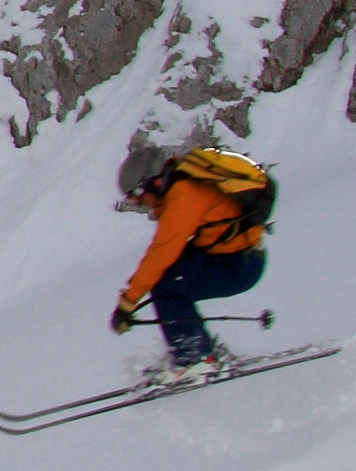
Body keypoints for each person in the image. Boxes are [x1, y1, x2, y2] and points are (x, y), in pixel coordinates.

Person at [110, 135, 277, 376]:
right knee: (165, 284)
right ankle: (198, 351)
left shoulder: (183, 196)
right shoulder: (184, 182)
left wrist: (128, 303)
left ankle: (194, 360)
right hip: (231, 254)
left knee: (168, 290)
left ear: (153, 183)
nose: (138, 203)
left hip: (239, 265)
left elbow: (162, 252)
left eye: (137, 195)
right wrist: (131, 299)